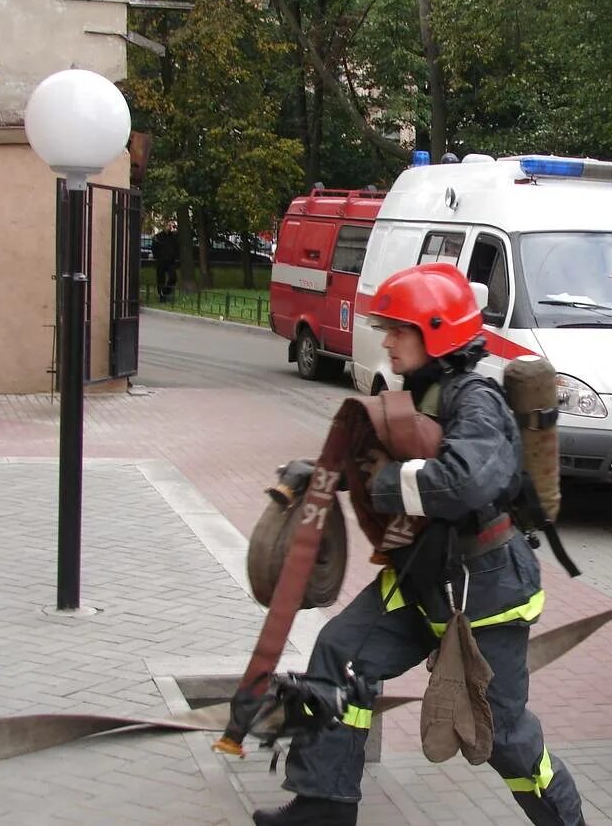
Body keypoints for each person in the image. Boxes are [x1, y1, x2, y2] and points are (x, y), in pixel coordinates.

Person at [253, 263, 584, 826]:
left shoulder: (475, 400)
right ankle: (324, 805)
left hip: (486, 591)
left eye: (398, 330)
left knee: (502, 734)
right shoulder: (426, 390)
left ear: (437, 333)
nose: (386, 340)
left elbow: (464, 480)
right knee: (341, 654)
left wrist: (382, 486)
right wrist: (331, 472)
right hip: (426, 576)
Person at [151, 224, 178, 301]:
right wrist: (157, 258)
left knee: (173, 277)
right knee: (160, 279)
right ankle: (161, 296)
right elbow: (154, 248)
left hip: (171, 262)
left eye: (170, 226)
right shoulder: (158, 237)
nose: (169, 227)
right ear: (164, 227)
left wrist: (174, 256)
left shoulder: (173, 237)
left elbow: (176, 247)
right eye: (167, 225)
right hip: (161, 261)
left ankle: (165, 292)